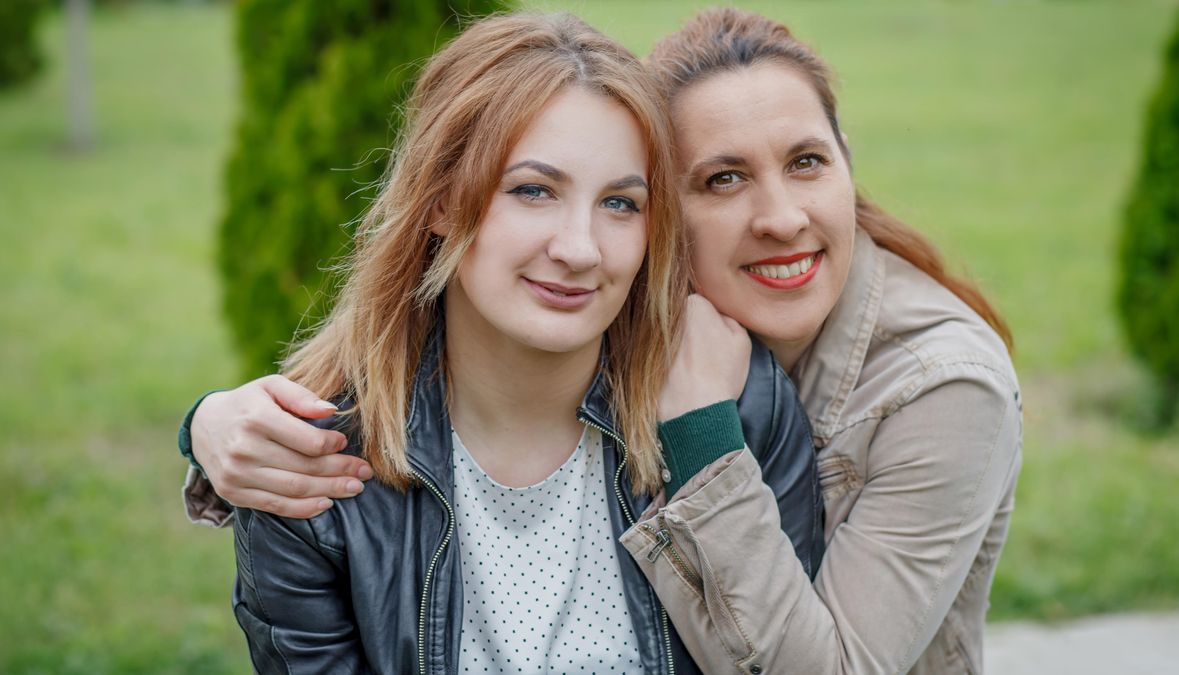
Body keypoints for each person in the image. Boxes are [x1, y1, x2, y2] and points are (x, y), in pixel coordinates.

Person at [184, 7, 1021, 675]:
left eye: (620, 202)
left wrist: (705, 435)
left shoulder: (899, 390)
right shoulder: (315, 468)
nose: (778, 217)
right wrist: (208, 427)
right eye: (722, 178)